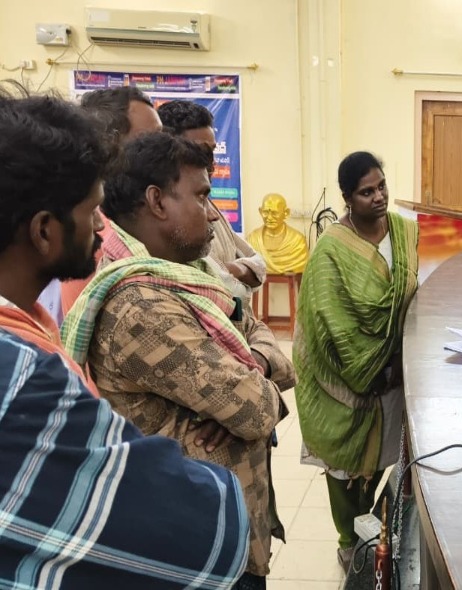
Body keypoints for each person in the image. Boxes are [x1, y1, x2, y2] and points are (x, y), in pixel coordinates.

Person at [0, 89, 249, 587]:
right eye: (92, 210)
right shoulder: (25, 376)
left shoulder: (32, 328)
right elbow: (204, 528)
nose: (101, 224)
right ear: (44, 231)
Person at [61, 132, 295, 590]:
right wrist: (249, 381)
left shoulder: (193, 278)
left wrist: (251, 366)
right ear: (157, 201)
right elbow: (257, 410)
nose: (213, 213)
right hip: (197, 547)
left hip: (230, 525)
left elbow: (267, 344)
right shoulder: (140, 306)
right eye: (202, 196)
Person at [293, 151, 419, 570]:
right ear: (347, 198)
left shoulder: (403, 232)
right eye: (367, 192)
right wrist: (366, 368)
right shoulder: (331, 249)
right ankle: (349, 541)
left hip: (394, 370)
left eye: (382, 186)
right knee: (346, 467)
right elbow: (328, 321)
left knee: (383, 457)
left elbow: (409, 293)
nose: (379, 197)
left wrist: (394, 360)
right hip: (345, 378)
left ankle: (373, 532)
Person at [60, 87, 163, 316]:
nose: (164, 147)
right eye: (150, 139)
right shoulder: (91, 228)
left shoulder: (138, 217)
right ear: (109, 144)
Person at [157, 99, 266, 301]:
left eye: (212, 151)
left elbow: (259, 265)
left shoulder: (211, 209)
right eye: (200, 152)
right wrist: (234, 275)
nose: (211, 162)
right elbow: (230, 294)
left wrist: (231, 270)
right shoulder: (168, 217)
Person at [247, 193, 309, 274]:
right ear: (260, 211)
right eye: (265, 212)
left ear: (286, 213)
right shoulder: (252, 239)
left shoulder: (297, 241)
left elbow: (300, 266)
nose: (269, 217)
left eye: (274, 213)